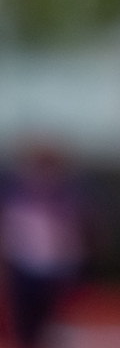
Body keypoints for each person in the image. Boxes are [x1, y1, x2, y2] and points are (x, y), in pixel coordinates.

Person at [0, 146, 85, 348]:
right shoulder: (14, 196)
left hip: (54, 268)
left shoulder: (65, 198)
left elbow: (71, 236)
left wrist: (72, 263)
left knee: (49, 325)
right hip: (22, 267)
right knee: (25, 326)